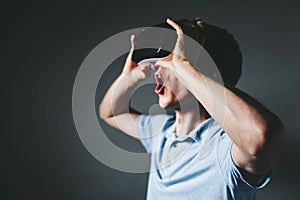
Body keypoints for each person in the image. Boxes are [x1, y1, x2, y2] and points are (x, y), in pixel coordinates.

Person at [99, 18, 285, 199]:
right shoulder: (161, 133)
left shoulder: (223, 148)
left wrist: (183, 67)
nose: (157, 68)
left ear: (205, 73)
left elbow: (261, 137)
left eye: (173, 59)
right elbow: (111, 112)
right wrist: (128, 77)